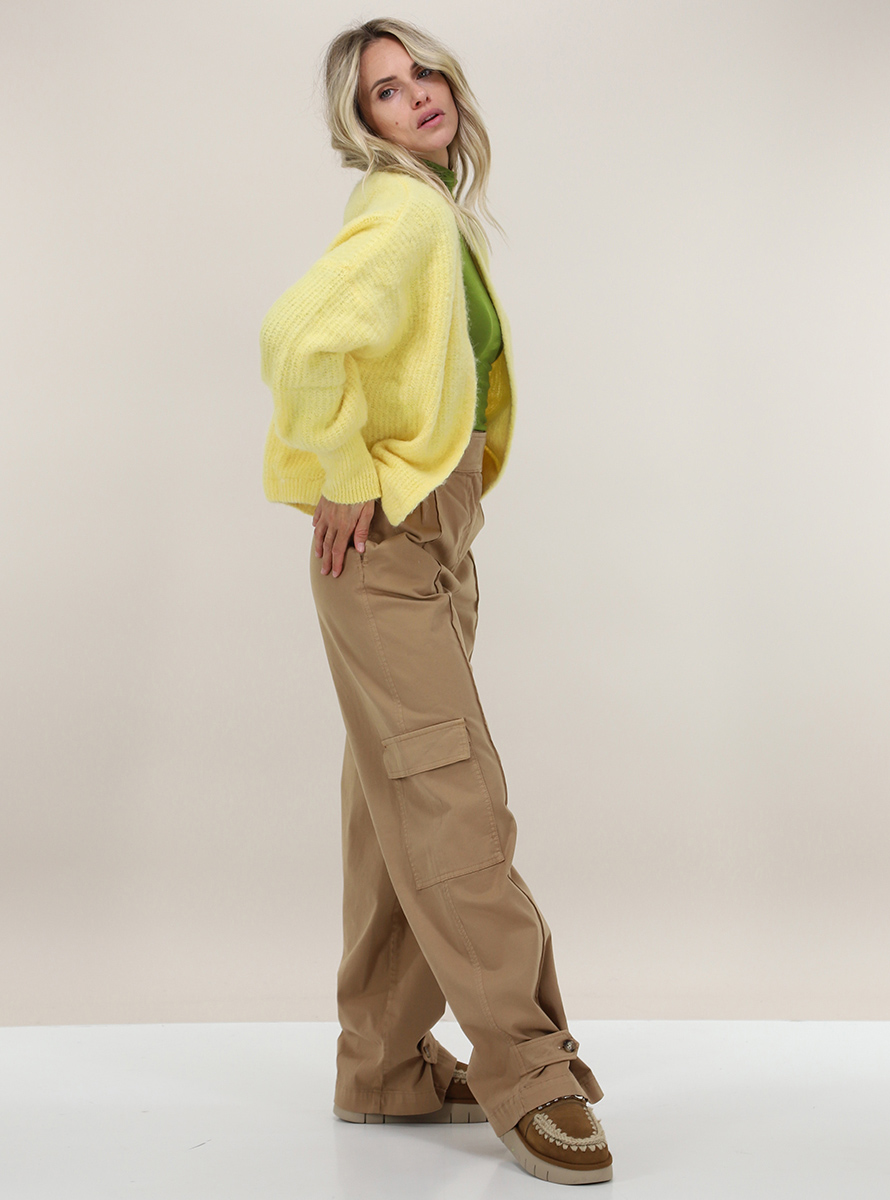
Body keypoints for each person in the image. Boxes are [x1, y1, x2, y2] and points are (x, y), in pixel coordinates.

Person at [259, 17, 612, 1186]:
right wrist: (343, 472)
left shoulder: (434, 214)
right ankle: (526, 1066)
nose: (413, 94)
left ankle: (384, 1065)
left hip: (431, 529)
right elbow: (297, 337)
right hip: (387, 538)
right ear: (356, 124)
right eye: (382, 90)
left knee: (393, 799)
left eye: (420, 73)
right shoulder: (402, 212)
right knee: (450, 794)